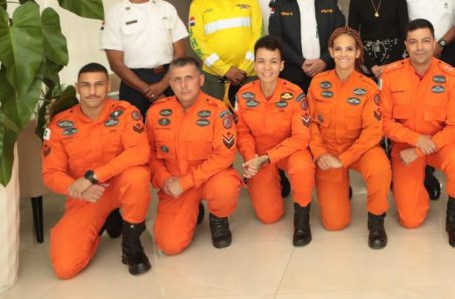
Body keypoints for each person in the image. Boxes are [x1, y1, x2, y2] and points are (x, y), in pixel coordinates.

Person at [42, 63, 151, 278]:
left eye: (99, 84)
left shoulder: (126, 112)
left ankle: (131, 244)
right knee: (65, 268)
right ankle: (105, 219)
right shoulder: (59, 124)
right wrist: (75, 187)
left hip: (120, 185)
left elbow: (139, 152)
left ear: (108, 85)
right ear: (77, 88)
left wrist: (92, 177)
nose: (92, 91)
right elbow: (51, 173)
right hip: (86, 196)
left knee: (138, 175)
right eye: (86, 85)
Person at [380, 19, 455, 248]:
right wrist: (416, 140)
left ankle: (454, 216)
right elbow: (384, 123)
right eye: (413, 42)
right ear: (406, 45)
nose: (419, 47)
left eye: (425, 41)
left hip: (441, 143)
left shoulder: (451, 76)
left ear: (434, 43)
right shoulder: (391, 75)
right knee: (410, 221)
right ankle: (419, 185)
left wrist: (421, 148)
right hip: (405, 146)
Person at [145, 56, 241, 254]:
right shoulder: (156, 112)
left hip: (208, 178)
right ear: (170, 83)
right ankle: (193, 209)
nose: (183, 85)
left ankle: (218, 218)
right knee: (169, 246)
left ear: (201, 80)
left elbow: (224, 156)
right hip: (174, 182)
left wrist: (186, 182)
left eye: (189, 78)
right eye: (177, 80)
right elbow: (150, 153)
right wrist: (164, 180)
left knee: (226, 186)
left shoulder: (218, 110)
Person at [307, 27, 391, 248]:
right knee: (335, 224)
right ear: (331, 52)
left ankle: (376, 221)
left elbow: (373, 131)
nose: (343, 54)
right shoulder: (317, 83)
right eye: (338, 49)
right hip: (327, 150)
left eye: (349, 49)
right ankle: (342, 187)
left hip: (359, 149)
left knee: (380, 167)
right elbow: (311, 124)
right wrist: (320, 153)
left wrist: (345, 159)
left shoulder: (369, 87)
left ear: (357, 53)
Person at [397, 0, 455, 201]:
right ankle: (425, 173)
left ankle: (438, 160)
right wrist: (420, 46)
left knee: (443, 112)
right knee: (417, 111)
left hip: (448, 48)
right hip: (416, 53)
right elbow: (403, 23)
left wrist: (440, 43)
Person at [234, 35, 315, 247]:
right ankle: (276, 179)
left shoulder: (295, 94)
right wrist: (251, 159)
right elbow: (242, 133)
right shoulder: (243, 94)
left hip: (288, 152)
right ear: (254, 64)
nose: (266, 67)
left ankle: (302, 218)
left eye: (273, 61)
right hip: (259, 155)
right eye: (261, 61)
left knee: (303, 164)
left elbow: (301, 137)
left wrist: (269, 158)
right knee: (269, 217)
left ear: (281, 65)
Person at [101, 0, 188, 118]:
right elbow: (116, 63)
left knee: (173, 129)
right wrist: (146, 89)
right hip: (132, 83)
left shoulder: (166, 8)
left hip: (168, 78)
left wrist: (162, 85)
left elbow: (180, 52)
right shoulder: (115, 13)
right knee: (134, 132)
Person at [189, 0, 263, 103]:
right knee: (215, 119)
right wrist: (225, 70)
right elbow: (197, 42)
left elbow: (259, 35)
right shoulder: (198, 4)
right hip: (214, 77)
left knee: (249, 119)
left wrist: (244, 69)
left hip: (248, 74)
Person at [268, 0, 345, 91]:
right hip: (293, 74)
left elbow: (340, 35)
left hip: (327, 71)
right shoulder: (281, 5)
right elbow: (276, 40)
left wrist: (323, 60)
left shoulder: (329, 1)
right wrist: (301, 62)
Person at [348, 0, 409, 78]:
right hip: (367, 62)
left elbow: (404, 33)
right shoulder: (356, 0)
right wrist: (372, 66)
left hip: (396, 59)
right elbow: (353, 37)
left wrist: (388, 65)